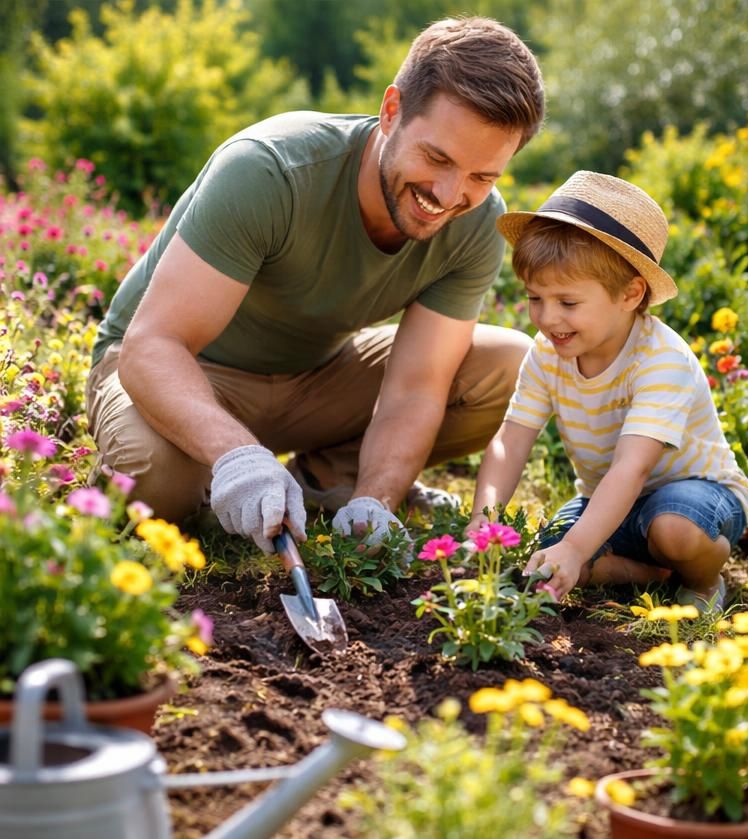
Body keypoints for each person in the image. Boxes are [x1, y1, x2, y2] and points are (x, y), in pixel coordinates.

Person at [85, 16, 545, 552]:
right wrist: (240, 455)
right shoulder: (270, 170)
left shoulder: (476, 223)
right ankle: (213, 471)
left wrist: (377, 499)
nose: (449, 193)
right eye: (436, 157)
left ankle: (329, 483)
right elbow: (151, 346)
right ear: (391, 110)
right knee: (155, 483)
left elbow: (418, 386)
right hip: (180, 370)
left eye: (481, 175)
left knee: (508, 366)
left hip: (314, 381)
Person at [468, 171, 748, 614]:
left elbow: (632, 468)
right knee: (547, 559)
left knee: (672, 530)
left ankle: (704, 579)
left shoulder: (661, 359)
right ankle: (653, 575)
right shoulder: (548, 353)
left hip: (695, 493)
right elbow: (511, 441)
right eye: (535, 297)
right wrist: (483, 523)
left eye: (568, 303)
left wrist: (579, 547)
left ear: (630, 293)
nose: (547, 318)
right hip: (607, 500)